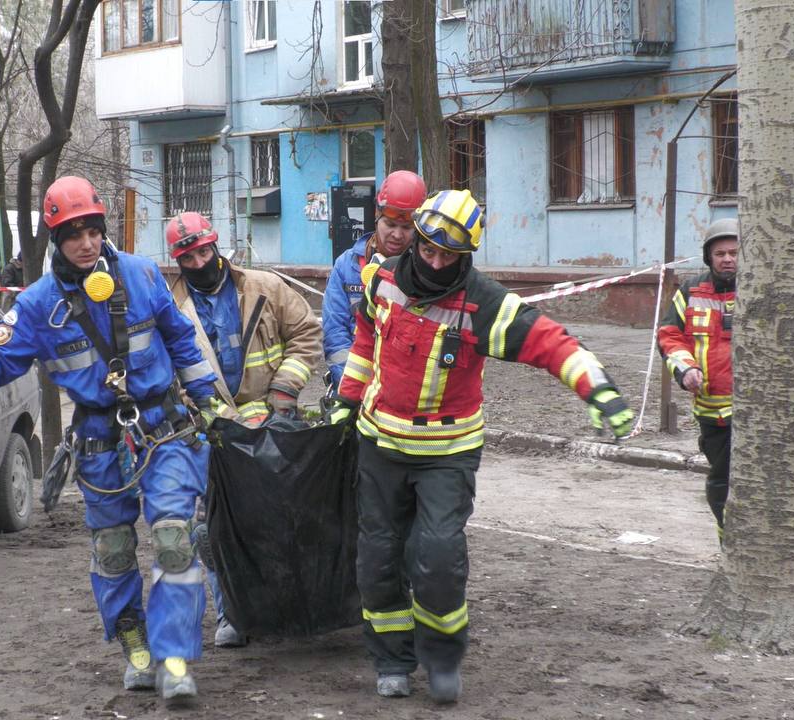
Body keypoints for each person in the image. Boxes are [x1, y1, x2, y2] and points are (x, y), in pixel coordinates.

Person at [331, 189, 635, 704]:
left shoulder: (485, 304)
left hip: (448, 451)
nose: (434, 261)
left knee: (438, 556)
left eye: (448, 255)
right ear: (416, 240)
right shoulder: (379, 278)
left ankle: (443, 656)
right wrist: (347, 399)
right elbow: (366, 340)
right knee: (378, 556)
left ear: (466, 255)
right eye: (428, 249)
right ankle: (392, 659)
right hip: (380, 442)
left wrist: (596, 387)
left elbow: (552, 342)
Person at [0, 176, 223, 703]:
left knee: (173, 538)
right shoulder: (38, 305)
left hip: (161, 429)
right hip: (98, 438)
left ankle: (174, 657)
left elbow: (180, 338)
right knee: (114, 550)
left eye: (93, 229)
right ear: (56, 238)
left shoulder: (141, 275)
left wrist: (205, 396)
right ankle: (134, 641)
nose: (87, 242)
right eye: (73, 233)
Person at [165, 210, 321, 647]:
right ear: (177, 260)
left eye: (203, 252)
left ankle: (286, 605)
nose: (198, 263)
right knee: (211, 527)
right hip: (209, 431)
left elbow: (307, 334)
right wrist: (204, 413)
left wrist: (284, 393)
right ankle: (231, 614)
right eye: (188, 258)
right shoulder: (168, 304)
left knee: (281, 518)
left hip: (271, 424)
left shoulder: (265, 288)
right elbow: (165, 368)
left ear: (217, 246)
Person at [656, 217, 737, 538]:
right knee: (720, 480)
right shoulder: (691, 290)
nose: (728, 259)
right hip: (710, 412)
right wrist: (685, 368)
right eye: (720, 254)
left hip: (755, 413)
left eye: (734, 252)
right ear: (709, 257)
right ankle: (727, 539)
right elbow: (670, 335)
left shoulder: (763, 291)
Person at [322, 170, 427, 388]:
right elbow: (335, 333)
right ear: (376, 216)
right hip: (354, 385)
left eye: (407, 228)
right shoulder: (347, 266)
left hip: (405, 390)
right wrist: (351, 386)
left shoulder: (429, 271)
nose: (397, 235)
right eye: (390, 224)